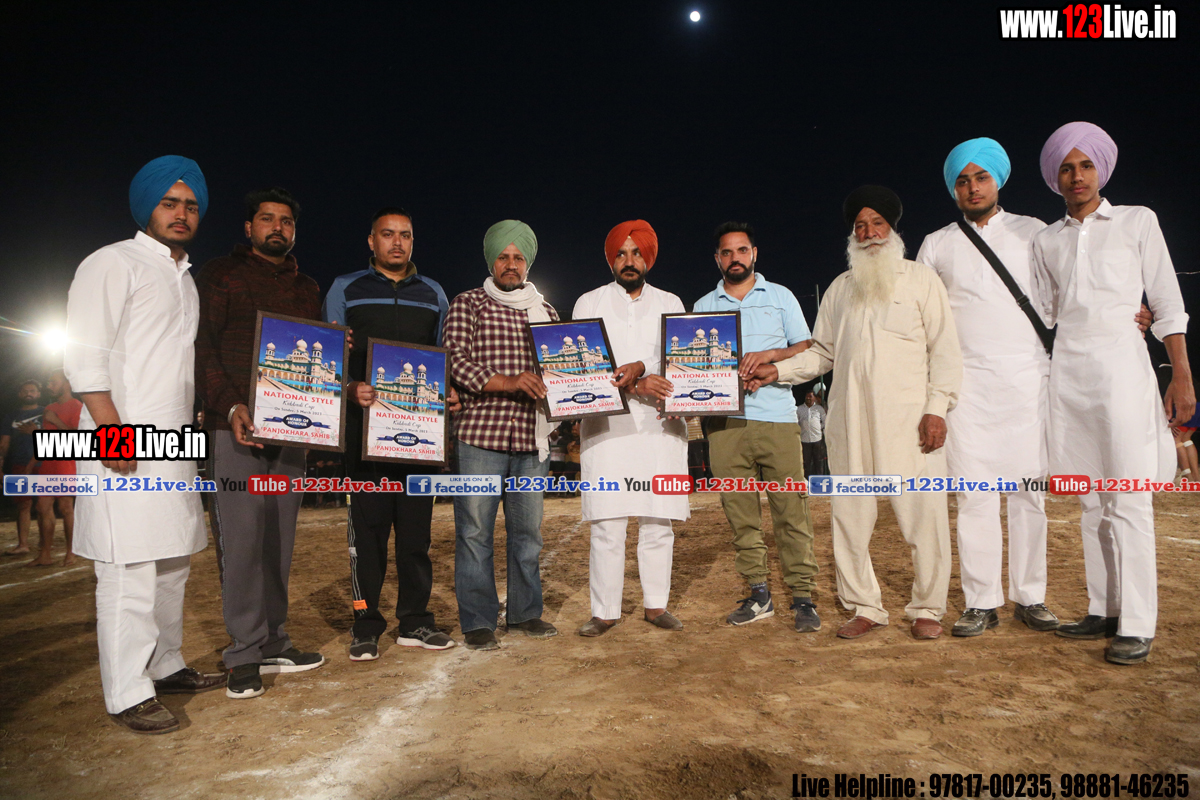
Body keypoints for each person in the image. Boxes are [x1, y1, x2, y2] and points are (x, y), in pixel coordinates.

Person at [746, 186, 963, 640]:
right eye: (860, 226)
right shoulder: (841, 289)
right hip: (850, 424)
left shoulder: (922, 280)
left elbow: (944, 349)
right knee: (850, 521)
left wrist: (937, 408)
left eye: (877, 223)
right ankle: (864, 605)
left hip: (911, 424)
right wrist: (777, 371)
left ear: (893, 229)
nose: (868, 233)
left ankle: (927, 608)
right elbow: (822, 354)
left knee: (924, 520)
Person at [64, 155, 224, 734]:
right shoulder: (112, 262)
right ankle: (127, 692)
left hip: (174, 441)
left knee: (172, 561)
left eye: (191, 205)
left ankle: (166, 664)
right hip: (122, 439)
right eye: (169, 203)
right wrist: (111, 430)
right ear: (145, 208)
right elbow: (85, 355)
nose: (181, 214)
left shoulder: (185, 278)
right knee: (128, 567)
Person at [1031, 122, 1193, 665]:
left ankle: (1139, 622)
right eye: (1066, 168)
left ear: (1101, 169)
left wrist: (1181, 375)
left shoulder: (1137, 220)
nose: (1076, 176)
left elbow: (1167, 301)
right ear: (1055, 177)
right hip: (1068, 376)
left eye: (1086, 166)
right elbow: (1047, 312)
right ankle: (1104, 607)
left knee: (1128, 498)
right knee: (1090, 500)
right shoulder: (1047, 240)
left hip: (1123, 372)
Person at [914, 137, 1060, 637]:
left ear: (998, 180)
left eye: (981, 177)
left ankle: (1031, 596)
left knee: (1029, 495)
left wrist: (1131, 314)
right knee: (973, 497)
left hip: (1027, 382)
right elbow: (924, 320)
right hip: (967, 389)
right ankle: (980, 602)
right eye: (962, 180)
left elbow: (1063, 295)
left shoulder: (1033, 231)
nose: (972, 187)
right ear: (952, 188)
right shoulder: (936, 243)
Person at [195, 187, 325, 699]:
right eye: (267, 219)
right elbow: (202, 348)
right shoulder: (220, 275)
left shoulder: (306, 287)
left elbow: (314, 359)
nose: (278, 227)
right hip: (235, 428)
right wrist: (230, 406)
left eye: (286, 221)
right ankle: (243, 653)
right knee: (243, 537)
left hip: (290, 431)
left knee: (279, 539)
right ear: (249, 228)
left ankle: (274, 640)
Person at [323, 206, 459, 660]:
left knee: (416, 538)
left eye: (405, 234)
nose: (397, 242)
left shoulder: (434, 293)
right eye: (387, 234)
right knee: (368, 539)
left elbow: (442, 355)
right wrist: (349, 388)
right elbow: (331, 354)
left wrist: (448, 391)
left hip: (419, 435)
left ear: (413, 241)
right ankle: (365, 624)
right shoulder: (346, 288)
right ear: (371, 241)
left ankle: (415, 621)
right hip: (366, 437)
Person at [695, 222, 821, 633]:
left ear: (754, 254)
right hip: (724, 425)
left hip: (778, 419)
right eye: (726, 252)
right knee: (741, 515)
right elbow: (692, 363)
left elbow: (806, 347)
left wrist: (770, 356)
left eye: (742, 250)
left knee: (792, 512)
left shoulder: (781, 296)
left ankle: (802, 597)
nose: (735, 258)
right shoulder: (702, 306)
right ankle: (759, 594)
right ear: (717, 259)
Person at [442, 220, 559, 651]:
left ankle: (525, 613)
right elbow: (454, 360)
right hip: (479, 436)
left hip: (532, 440)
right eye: (504, 257)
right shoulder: (468, 303)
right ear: (492, 260)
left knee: (528, 534)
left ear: (528, 263)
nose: (511, 264)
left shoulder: (546, 313)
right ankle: (478, 620)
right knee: (474, 533)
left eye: (519, 257)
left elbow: (562, 371)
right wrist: (509, 382)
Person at [571, 220, 689, 636]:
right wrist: (637, 382)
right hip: (607, 428)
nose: (629, 261)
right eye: (620, 253)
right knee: (608, 521)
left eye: (637, 252)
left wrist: (644, 367)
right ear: (611, 260)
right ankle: (605, 610)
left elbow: (681, 359)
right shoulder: (589, 302)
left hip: (660, 427)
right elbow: (583, 368)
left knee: (658, 520)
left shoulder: (671, 302)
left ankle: (656, 606)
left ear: (648, 258)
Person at [30, 369, 82, 567]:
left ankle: (71, 552)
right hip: (48, 463)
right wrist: (32, 463)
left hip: (66, 462)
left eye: (53, 382)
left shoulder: (77, 406)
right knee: (42, 507)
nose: (49, 386)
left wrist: (56, 420)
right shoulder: (50, 408)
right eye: (49, 382)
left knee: (65, 507)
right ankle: (45, 554)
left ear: (67, 384)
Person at [0, 380, 43, 556]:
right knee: (23, 505)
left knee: (43, 505)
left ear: (38, 393)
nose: (28, 393)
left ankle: (44, 542)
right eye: (24, 391)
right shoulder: (11, 416)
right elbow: (4, 443)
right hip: (19, 463)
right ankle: (23, 544)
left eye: (32, 390)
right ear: (19, 394)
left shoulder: (47, 412)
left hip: (44, 464)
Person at [796, 390, 827, 480]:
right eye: (807, 396)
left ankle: (820, 480)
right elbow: (796, 422)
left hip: (817, 439)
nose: (808, 398)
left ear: (814, 398)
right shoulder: (799, 409)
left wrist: (819, 428)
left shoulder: (819, 409)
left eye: (810, 396)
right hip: (805, 439)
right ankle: (807, 480)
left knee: (819, 461)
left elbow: (825, 421)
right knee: (806, 462)